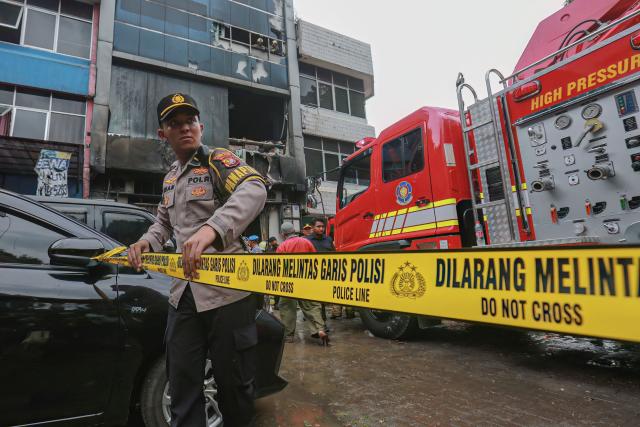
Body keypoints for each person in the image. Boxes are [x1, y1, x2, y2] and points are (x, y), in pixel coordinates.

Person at [127, 92, 267, 427]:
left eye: (190, 121)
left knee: (234, 389)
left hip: (228, 294)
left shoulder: (218, 160)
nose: (185, 128)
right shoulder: (171, 178)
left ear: (201, 126)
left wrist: (214, 229)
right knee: (182, 385)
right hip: (184, 295)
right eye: (175, 124)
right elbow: (163, 222)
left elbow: (254, 188)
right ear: (164, 134)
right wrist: (147, 242)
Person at [277, 222, 329, 345]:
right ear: (294, 230)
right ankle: (320, 329)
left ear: (283, 234)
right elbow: (315, 260)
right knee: (311, 306)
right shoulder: (306, 242)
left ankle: (289, 336)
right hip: (306, 279)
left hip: (289, 281)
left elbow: (279, 266)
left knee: (287, 308)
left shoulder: (282, 246)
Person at [306, 218, 354, 319]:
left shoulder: (328, 239)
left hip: (328, 272)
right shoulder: (307, 240)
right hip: (314, 273)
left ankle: (327, 319)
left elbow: (334, 253)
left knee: (326, 296)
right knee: (316, 299)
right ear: (313, 228)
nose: (321, 229)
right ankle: (320, 321)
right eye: (318, 226)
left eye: (323, 227)